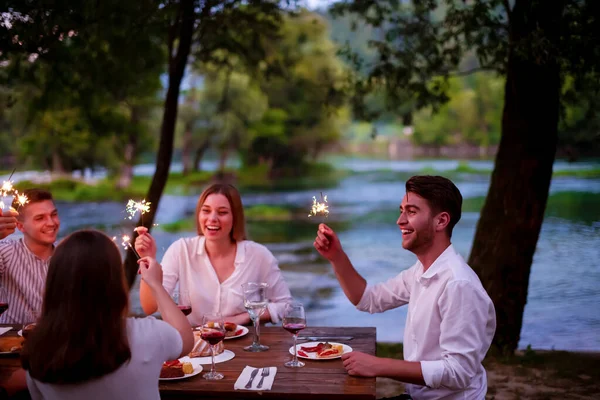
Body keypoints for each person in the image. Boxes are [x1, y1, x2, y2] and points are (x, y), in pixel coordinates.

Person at [314, 175, 496, 400]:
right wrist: (336, 256)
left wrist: (378, 366)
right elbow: (368, 299)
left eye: (411, 212)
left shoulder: (459, 285)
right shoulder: (420, 271)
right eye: (402, 210)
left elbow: (459, 372)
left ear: (441, 221)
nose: (400, 220)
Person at [20, 230, 194, 400]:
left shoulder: (36, 350)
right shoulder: (145, 335)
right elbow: (185, 339)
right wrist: (155, 285)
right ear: (115, 282)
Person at [135, 183, 292, 326]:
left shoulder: (259, 255)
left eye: (222, 212)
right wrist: (148, 259)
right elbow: (150, 307)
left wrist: (244, 317)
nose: (212, 219)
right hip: (194, 348)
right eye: (206, 211)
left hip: (246, 348)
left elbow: (285, 305)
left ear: (235, 217)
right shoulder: (181, 250)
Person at [0, 189, 59, 324]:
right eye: (40, 218)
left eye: (53, 215)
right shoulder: (5, 253)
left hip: (58, 340)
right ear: (20, 226)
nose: (51, 223)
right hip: (13, 342)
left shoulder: (69, 254)